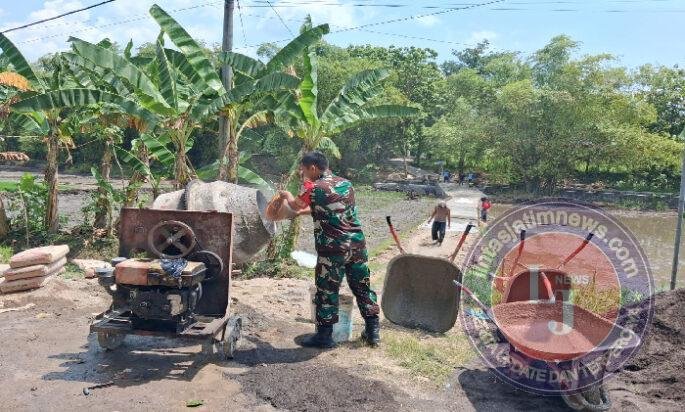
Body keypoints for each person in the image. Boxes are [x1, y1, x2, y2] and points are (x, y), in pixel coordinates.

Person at [278, 151, 380, 348]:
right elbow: (331, 208)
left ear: (313, 168)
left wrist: (286, 195)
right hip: (357, 246)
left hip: (333, 250)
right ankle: (373, 333)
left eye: (304, 170)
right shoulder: (346, 184)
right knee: (362, 287)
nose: (303, 174)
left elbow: (295, 206)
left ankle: (324, 337)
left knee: (327, 291)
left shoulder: (313, 187)